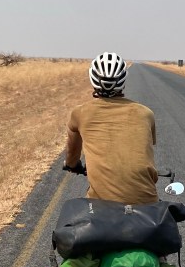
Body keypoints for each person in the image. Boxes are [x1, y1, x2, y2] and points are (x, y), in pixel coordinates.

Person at [64, 52, 158, 205]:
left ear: (93, 79)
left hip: (101, 206)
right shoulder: (146, 113)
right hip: (146, 203)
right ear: (123, 80)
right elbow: (144, 149)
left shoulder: (79, 114)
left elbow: (72, 155)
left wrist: (72, 165)